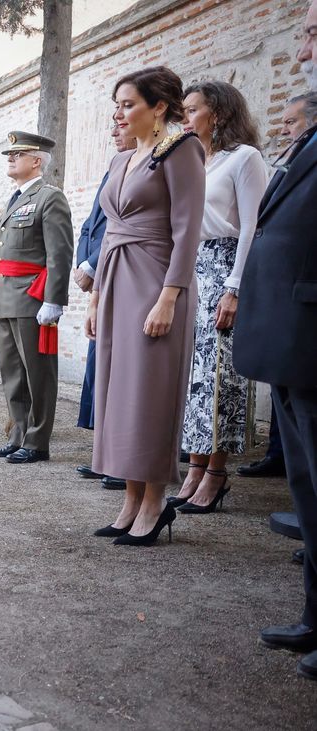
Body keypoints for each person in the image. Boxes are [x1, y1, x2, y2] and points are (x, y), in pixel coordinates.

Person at [89, 66, 206, 546]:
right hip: (117, 282)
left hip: (158, 284)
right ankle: (130, 502)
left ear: (158, 107)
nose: (118, 113)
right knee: (119, 394)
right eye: (116, 105)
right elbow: (109, 231)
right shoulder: (121, 161)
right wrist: (96, 296)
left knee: (149, 395)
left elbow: (188, 231)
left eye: (128, 104)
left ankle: (155, 503)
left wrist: (169, 298)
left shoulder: (181, 150)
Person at [236, 0, 317, 681]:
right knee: (308, 488)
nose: (304, 46)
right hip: (295, 343)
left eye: (315, 32)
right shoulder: (307, 147)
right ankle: (315, 616)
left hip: (312, 336)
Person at [171, 80, 269, 514]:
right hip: (191, 268)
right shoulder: (194, 161)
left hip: (225, 267)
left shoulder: (245, 158)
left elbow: (252, 227)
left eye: (192, 110)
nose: (185, 118)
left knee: (219, 374)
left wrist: (234, 288)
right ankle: (193, 467)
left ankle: (216, 473)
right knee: (191, 375)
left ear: (219, 113)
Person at [238, 91, 316, 479]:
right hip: (279, 299)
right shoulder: (292, 157)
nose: (283, 129)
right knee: (288, 406)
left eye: (292, 121)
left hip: (302, 299)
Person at [0, 131, 72, 465]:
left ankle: (37, 441)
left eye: (18, 153)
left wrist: (54, 300)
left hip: (31, 298)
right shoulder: (15, 199)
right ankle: (18, 434)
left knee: (37, 372)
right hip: (5, 296)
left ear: (36, 160)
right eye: (9, 154)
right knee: (12, 373)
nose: (11, 158)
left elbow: (59, 253)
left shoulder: (49, 198)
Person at [73, 125, 136, 489]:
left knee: (121, 370)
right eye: (111, 124)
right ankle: (105, 455)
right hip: (100, 274)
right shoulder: (114, 167)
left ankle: (122, 461)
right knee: (100, 366)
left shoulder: (143, 167)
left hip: (121, 270)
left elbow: (120, 225)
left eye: (123, 124)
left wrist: (92, 265)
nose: (113, 131)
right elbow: (89, 226)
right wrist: (84, 264)